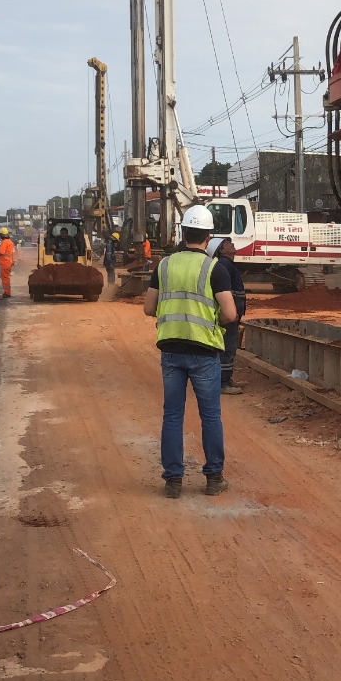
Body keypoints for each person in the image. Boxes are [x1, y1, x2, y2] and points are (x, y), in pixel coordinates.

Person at [144, 205, 237, 499]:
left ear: (183, 232)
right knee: (210, 416)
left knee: (172, 415)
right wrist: (212, 322)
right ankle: (213, 479)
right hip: (203, 352)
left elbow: (149, 308)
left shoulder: (164, 266)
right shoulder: (215, 268)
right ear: (208, 236)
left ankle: (173, 481)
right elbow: (230, 313)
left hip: (171, 349)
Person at [209, 237, 246, 394]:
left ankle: (226, 379)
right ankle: (223, 383)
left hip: (232, 313)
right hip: (230, 315)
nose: (232, 244)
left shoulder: (227, 265)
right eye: (227, 243)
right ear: (222, 250)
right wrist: (233, 311)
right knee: (227, 347)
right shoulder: (224, 265)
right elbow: (228, 293)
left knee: (228, 346)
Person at [0, 227, 17, 299]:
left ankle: (7, 293)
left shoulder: (4, 242)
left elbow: (1, 252)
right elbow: (13, 252)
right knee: (6, 277)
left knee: (5, 278)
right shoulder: (10, 242)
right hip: (8, 261)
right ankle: (7, 292)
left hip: (5, 262)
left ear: (2, 235)